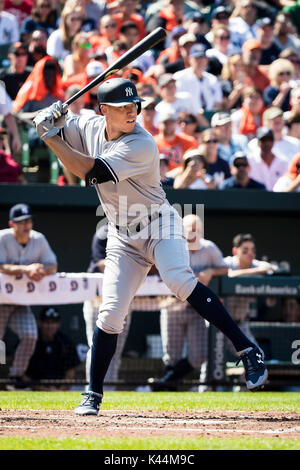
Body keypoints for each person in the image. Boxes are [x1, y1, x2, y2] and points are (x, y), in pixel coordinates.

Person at [33, 77, 268, 415]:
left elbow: (89, 170)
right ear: (104, 111)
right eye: (123, 108)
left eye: (135, 106)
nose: (132, 112)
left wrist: (50, 135)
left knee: (178, 279)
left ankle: (247, 350)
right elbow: (53, 123)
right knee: (111, 312)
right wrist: (50, 118)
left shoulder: (142, 143)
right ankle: (93, 394)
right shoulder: (86, 124)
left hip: (160, 223)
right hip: (122, 234)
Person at [148, 214, 228, 391]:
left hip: (197, 310)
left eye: (197, 230)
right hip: (173, 306)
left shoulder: (209, 248)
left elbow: (224, 268)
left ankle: (164, 382)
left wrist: (210, 271)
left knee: (199, 354)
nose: (193, 234)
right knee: (171, 355)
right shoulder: (172, 246)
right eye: (189, 230)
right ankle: (168, 390)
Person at [0, 203, 57, 386]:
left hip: (20, 302)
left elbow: (53, 266)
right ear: (12, 224)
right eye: (21, 222)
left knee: (30, 334)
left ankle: (15, 376)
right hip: (1, 300)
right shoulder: (2, 238)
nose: (26, 225)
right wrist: (26, 269)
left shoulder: (38, 239)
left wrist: (40, 270)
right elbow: (1, 266)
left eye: (28, 221)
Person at [83, 224, 132, 390]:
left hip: (123, 298)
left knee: (116, 350)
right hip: (97, 297)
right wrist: (130, 263)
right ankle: (92, 388)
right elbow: (101, 263)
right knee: (95, 346)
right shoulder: (104, 232)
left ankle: (110, 389)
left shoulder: (135, 233)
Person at [223, 233, 276, 354]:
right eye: (245, 250)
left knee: (257, 357)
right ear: (235, 251)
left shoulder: (256, 264)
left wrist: (256, 271)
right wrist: (256, 272)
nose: (250, 253)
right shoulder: (227, 262)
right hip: (218, 324)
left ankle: (244, 374)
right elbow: (230, 274)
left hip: (240, 325)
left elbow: (270, 268)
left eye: (253, 250)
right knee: (205, 359)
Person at [25, 306, 81, 390]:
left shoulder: (66, 342)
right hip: (31, 388)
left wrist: (60, 390)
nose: (50, 326)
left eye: (53, 323)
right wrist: (42, 389)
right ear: (39, 322)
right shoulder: (29, 341)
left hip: (61, 389)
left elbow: (71, 373)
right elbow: (21, 374)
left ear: (58, 324)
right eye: (46, 322)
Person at [174, 43, 223, 112]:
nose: (200, 62)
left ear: (207, 61)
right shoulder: (179, 77)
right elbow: (176, 101)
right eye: (196, 58)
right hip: (189, 117)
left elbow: (218, 102)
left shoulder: (212, 79)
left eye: (202, 58)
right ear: (190, 59)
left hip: (210, 115)